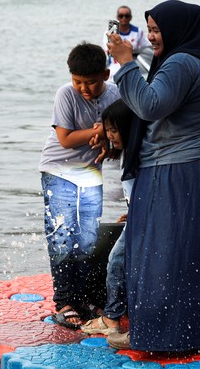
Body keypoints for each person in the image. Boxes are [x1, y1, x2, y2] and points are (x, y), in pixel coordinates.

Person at [105, 0, 200, 352]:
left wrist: (124, 64)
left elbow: (151, 105)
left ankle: (165, 336)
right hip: (198, 164)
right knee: (196, 254)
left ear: (178, 30)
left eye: (156, 30)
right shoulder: (186, 59)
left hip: (185, 169)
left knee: (164, 253)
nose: (151, 37)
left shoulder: (181, 62)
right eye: (148, 29)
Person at [39, 42, 121, 329]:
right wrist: (97, 131)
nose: (84, 89)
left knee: (87, 236)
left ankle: (84, 297)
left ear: (106, 75)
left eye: (91, 83)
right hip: (58, 170)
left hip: (89, 173)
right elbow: (65, 138)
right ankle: (64, 301)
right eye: (78, 82)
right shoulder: (66, 94)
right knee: (62, 234)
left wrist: (107, 145)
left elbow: (116, 137)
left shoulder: (115, 95)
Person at [80, 99, 134, 337]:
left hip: (142, 220)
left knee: (117, 260)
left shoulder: (136, 156)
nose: (111, 136)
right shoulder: (126, 152)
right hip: (137, 216)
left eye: (115, 130)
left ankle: (111, 318)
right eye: (108, 130)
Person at [104, 6, 150, 77]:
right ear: (117, 17)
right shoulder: (110, 31)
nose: (124, 18)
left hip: (133, 63)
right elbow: (108, 50)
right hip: (114, 64)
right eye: (121, 16)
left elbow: (146, 48)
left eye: (127, 16)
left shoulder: (138, 31)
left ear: (130, 17)